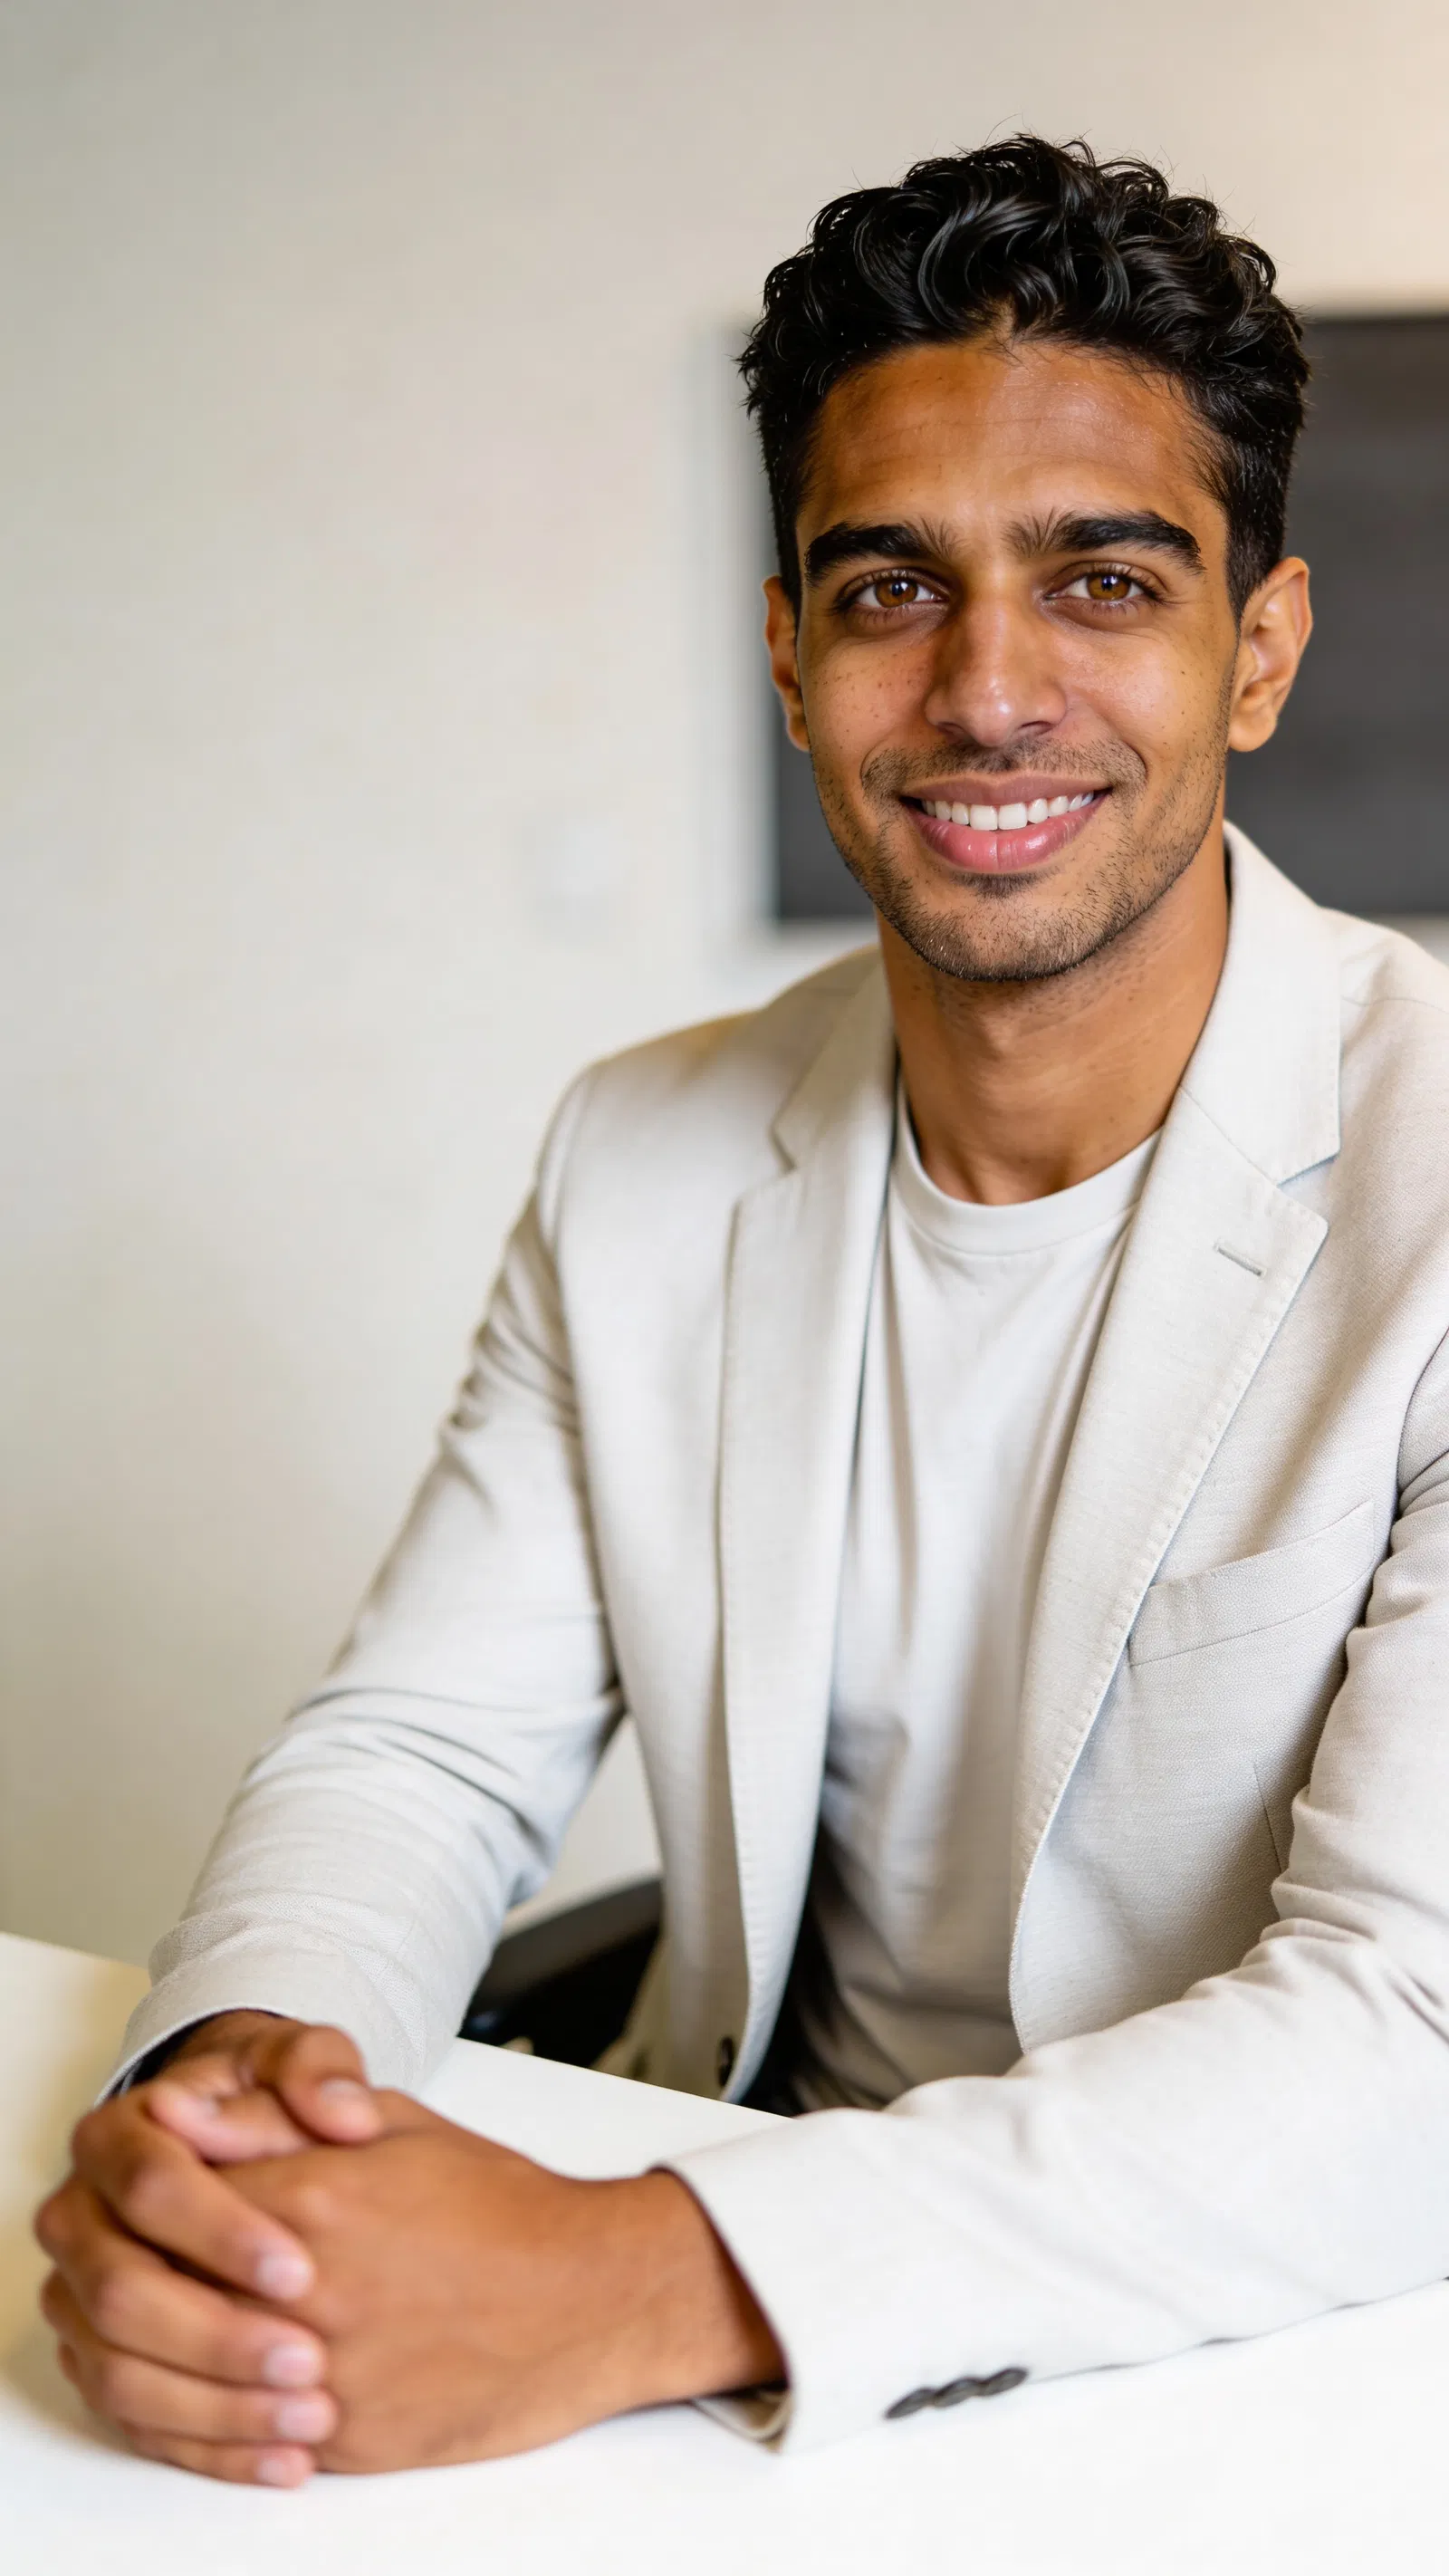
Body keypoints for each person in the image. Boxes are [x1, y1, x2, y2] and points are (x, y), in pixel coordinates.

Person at [35, 134, 1449, 2486]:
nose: (990, 689)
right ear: (792, 655)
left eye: (1103, 580)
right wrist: (242, 2110)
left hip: (1252, 2356)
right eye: (892, 588)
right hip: (738, 2335)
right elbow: (419, 1749)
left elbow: (1414, 2034)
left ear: (1264, 649)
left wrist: (635, 2275)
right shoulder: (643, 1150)